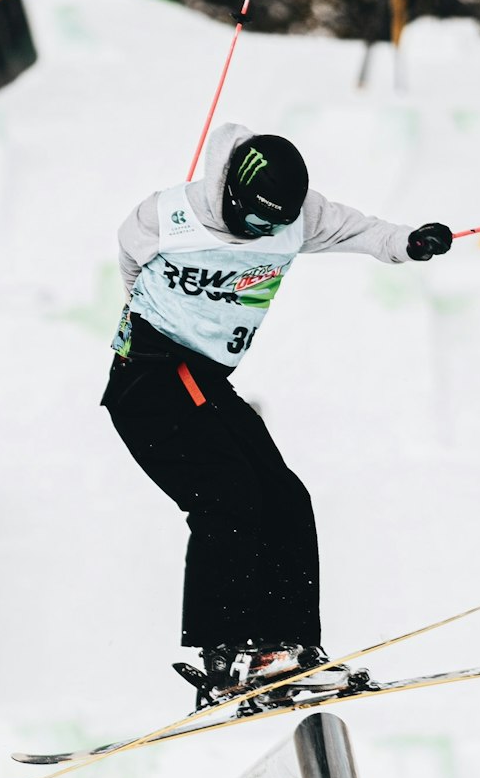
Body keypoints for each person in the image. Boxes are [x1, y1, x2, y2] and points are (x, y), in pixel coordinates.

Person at [102, 122, 452, 704]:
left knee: (286, 496)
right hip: (150, 375)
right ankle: (227, 652)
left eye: (276, 223)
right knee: (228, 495)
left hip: (205, 379)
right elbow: (130, 267)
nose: (265, 231)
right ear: (231, 194)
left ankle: (287, 649)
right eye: (256, 220)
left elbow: (360, 230)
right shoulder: (167, 216)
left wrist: (408, 242)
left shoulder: (298, 217)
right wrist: (167, 317)